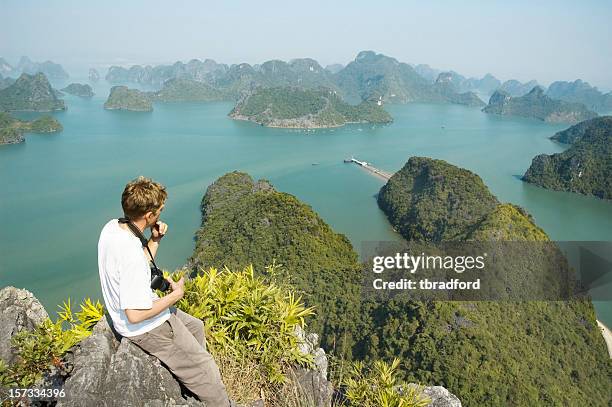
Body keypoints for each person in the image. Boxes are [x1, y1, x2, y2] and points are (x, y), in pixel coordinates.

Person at [97, 176, 230, 406]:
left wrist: (155, 239)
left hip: (136, 315)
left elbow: (135, 263)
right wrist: (174, 296)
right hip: (145, 327)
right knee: (206, 367)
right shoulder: (130, 254)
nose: (160, 214)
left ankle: (192, 384)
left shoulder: (113, 228)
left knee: (196, 327)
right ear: (149, 215)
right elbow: (135, 314)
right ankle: (216, 397)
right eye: (158, 210)